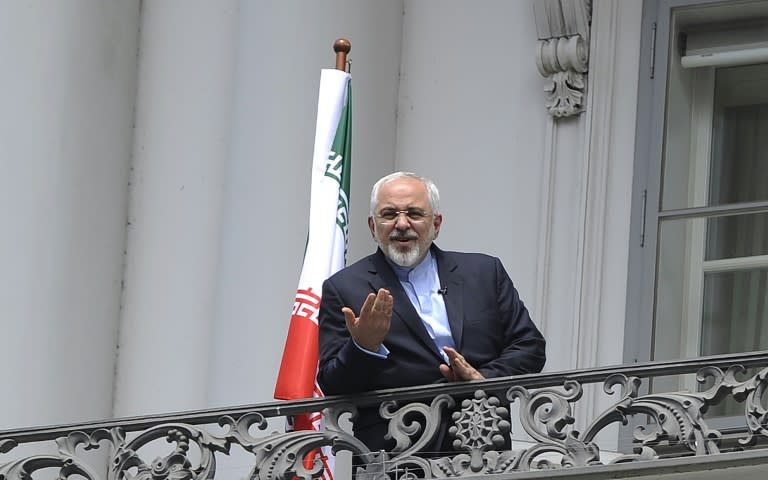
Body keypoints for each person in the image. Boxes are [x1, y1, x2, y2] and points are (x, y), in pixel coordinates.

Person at [316, 171, 546, 456]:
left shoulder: (484, 273)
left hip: (483, 446)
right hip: (395, 455)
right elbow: (332, 384)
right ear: (373, 226)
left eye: (414, 213)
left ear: (436, 224)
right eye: (389, 214)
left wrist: (483, 379)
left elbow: (530, 347)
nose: (402, 224)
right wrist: (364, 346)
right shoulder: (343, 288)